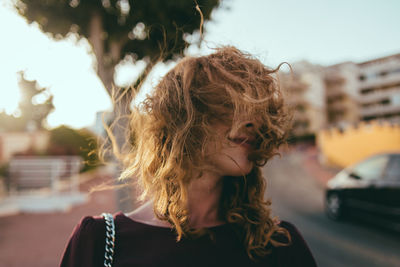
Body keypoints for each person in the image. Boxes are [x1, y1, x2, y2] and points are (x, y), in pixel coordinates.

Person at [60, 46, 317, 266]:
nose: (253, 122)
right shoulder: (99, 242)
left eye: (258, 110)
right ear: (182, 118)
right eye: (229, 105)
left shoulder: (281, 245)